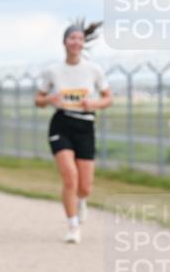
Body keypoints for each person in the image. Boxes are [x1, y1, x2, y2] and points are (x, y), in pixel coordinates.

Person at [34, 20, 113, 244]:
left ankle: (82, 200)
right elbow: (37, 100)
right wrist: (49, 99)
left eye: (79, 39)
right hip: (61, 124)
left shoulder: (93, 70)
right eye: (72, 38)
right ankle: (73, 226)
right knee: (70, 177)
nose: (76, 42)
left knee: (85, 186)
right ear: (64, 42)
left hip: (85, 125)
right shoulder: (53, 70)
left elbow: (109, 98)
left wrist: (94, 104)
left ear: (83, 42)